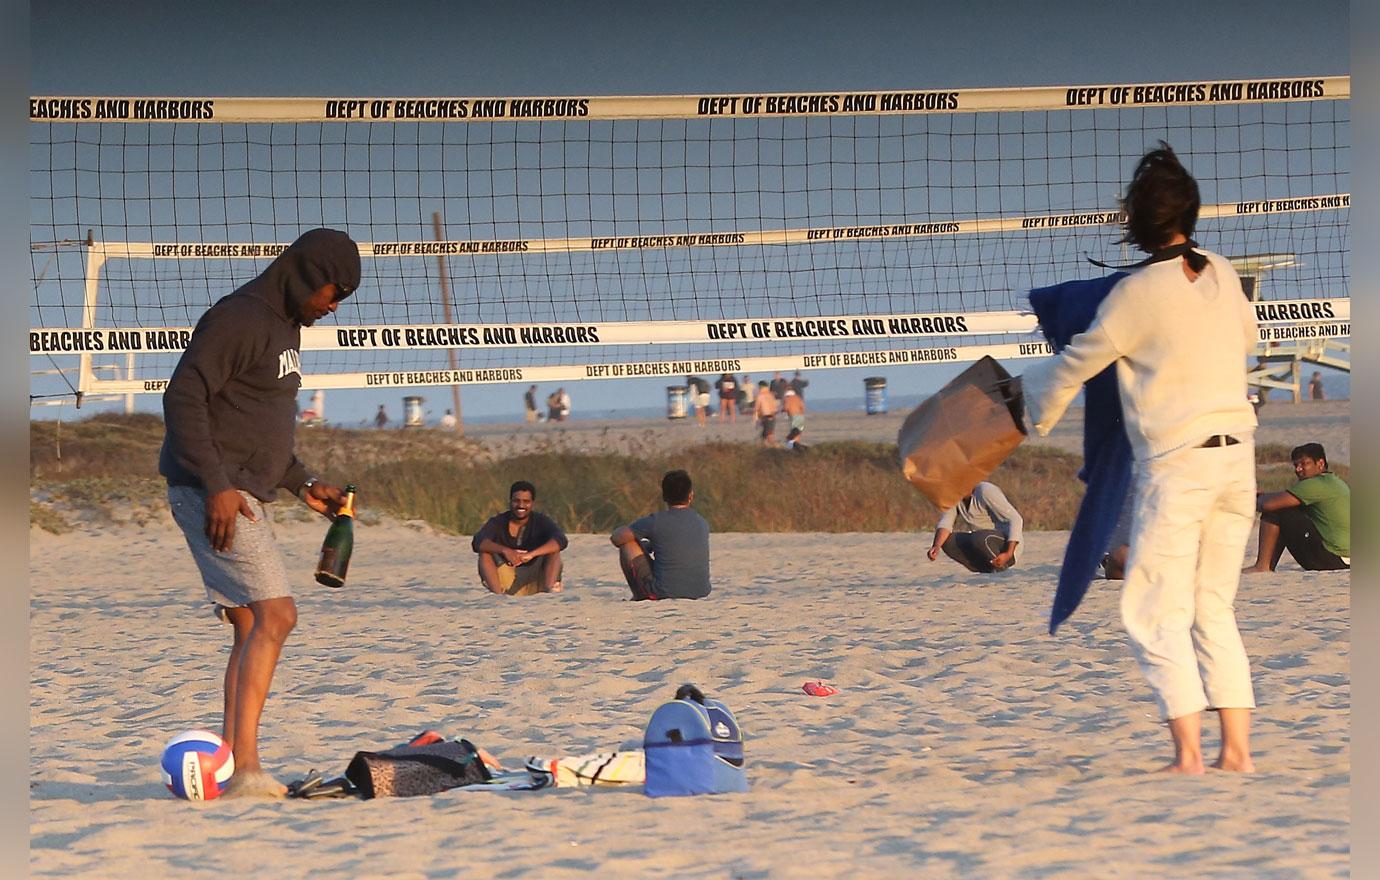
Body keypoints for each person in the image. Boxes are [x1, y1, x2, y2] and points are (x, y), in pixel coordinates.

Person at [1020, 143, 1259, 774]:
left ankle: (1188, 756)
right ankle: (1236, 752)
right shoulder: (1221, 272)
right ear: (1193, 212)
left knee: (1153, 608)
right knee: (1213, 605)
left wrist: (1032, 416)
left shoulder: (1134, 294)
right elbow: (1250, 339)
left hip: (1180, 463)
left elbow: (1075, 363)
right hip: (1239, 459)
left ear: (1132, 222)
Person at [160, 228, 359, 798]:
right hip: (215, 491)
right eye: (332, 290)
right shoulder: (241, 318)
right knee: (277, 616)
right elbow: (183, 398)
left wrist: (303, 483)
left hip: (241, 486)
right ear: (304, 274)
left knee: (250, 623)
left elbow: (255, 421)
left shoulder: (286, 326)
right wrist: (217, 485)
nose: (334, 304)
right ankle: (246, 769)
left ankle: (230, 762)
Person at [1243, 443, 1349, 573]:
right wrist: (1263, 496)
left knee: (1276, 511)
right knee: (1285, 507)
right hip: (1345, 559)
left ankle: (1263, 566)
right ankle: (1266, 566)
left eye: (1304, 464)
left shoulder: (1315, 483)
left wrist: (1250, 498)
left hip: (1334, 559)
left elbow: (1268, 505)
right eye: (1296, 465)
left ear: (1320, 464)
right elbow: (1281, 499)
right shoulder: (1332, 481)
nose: (1298, 469)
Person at [610, 470, 711, 600]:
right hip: (700, 592)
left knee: (628, 544)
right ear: (691, 495)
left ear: (664, 496)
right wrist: (652, 545)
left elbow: (617, 538)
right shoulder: (702, 522)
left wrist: (640, 543)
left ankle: (639, 595)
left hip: (664, 592)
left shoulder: (655, 521)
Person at [472, 481, 568, 595]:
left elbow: (561, 540)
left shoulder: (541, 521)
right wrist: (506, 551)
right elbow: (478, 541)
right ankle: (497, 596)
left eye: (526, 501)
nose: (521, 505)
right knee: (485, 553)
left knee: (553, 551)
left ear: (533, 503)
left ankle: (550, 591)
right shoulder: (498, 522)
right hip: (506, 579)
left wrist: (532, 554)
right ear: (510, 501)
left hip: (537, 580)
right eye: (516, 501)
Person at [926, 481, 1022, 573]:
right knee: (947, 541)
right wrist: (936, 546)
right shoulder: (954, 497)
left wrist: (1009, 553)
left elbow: (1016, 519)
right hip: (980, 542)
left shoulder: (986, 491)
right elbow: (946, 523)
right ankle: (986, 569)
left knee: (979, 538)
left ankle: (1001, 570)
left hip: (1007, 544)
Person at [753, 380, 778, 447]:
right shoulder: (771, 395)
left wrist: (756, 420)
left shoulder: (760, 396)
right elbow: (775, 408)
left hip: (766, 418)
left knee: (769, 437)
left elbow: (756, 409)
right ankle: (765, 452)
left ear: (761, 387)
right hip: (772, 417)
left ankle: (778, 449)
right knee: (764, 438)